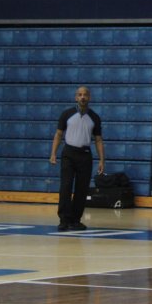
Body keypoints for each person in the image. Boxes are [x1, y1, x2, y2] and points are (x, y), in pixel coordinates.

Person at [49, 86, 105, 232]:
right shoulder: (67, 114)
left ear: (89, 97)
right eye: (79, 95)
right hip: (69, 153)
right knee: (65, 186)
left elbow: (98, 140)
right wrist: (53, 153)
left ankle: (75, 220)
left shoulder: (94, 117)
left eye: (85, 95)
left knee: (82, 189)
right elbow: (58, 134)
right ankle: (64, 220)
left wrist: (101, 160)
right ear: (76, 97)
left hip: (85, 155)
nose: (82, 97)